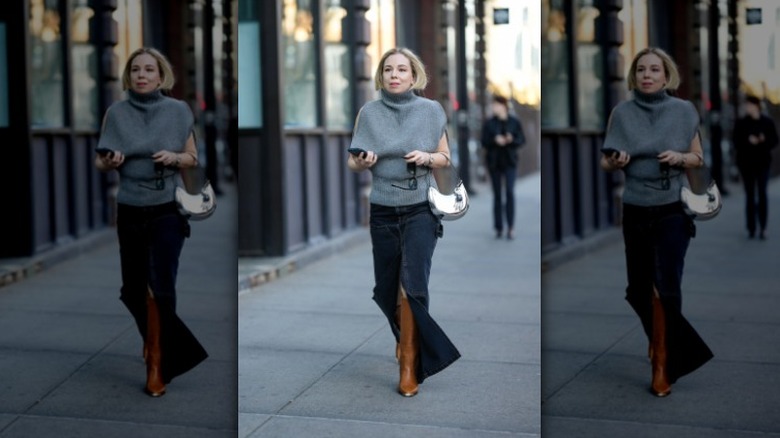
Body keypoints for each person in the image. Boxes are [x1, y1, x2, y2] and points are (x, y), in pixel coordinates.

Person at [94, 47, 208, 397]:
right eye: (136, 70)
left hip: (166, 209)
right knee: (132, 290)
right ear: (128, 77)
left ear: (161, 76)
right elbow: (100, 161)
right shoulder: (116, 113)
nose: (142, 75)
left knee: (162, 287)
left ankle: (156, 362)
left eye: (149, 70)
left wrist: (174, 156)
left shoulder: (177, 112)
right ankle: (158, 341)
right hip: (129, 207)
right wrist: (110, 163)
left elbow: (192, 157)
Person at [347, 47, 461, 397]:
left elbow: (445, 157)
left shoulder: (430, 111)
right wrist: (363, 163)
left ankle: (409, 361)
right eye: (388, 70)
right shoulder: (368, 112)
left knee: (413, 286)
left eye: (402, 69)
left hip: (420, 208)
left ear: (414, 76)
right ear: (381, 76)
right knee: (386, 291)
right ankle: (404, 337)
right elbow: (353, 162)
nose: (394, 75)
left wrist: (428, 156)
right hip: (382, 208)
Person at [600, 47, 713, 397]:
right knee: (637, 289)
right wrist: (616, 162)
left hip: (672, 208)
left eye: (655, 69)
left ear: (667, 76)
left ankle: (662, 362)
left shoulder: (683, 112)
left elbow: (698, 157)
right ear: (634, 76)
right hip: (635, 207)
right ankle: (660, 339)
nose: (648, 75)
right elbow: (605, 162)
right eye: (642, 70)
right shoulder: (622, 113)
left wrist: (681, 156)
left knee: (667, 287)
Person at [733, 95, 778, 240]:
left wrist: (762, 140)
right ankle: (751, 227)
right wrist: (748, 140)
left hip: (763, 163)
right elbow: (736, 141)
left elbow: (774, 140)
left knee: (763, 194)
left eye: (750, 105)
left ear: (757, 106)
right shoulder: (741, 123)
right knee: (750, 195)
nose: (747, 108)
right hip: (746, 164)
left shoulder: (767, 122)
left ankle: (763, 227)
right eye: (746, 105)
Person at [481, 95, 526, 240]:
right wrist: (495, 140)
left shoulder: (514, 122)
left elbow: (521, 140)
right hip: (494, 163)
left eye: (496, 105)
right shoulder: (489, 123)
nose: (494, 108)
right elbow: (483, 141)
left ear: (504, 106)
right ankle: (499, 227)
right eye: (493, 105)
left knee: (510, 193)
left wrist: (511, 139)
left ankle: (511, 227)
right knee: (497, 195)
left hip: (510, 162)